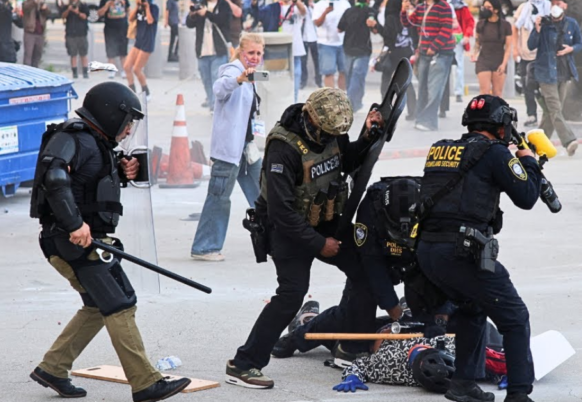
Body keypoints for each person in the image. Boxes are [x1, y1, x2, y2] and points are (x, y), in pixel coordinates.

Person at [28, 81, 191, 402]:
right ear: (109, 114)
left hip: (84, 241)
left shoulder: (96, 143)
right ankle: (146, 383)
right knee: (120, 303)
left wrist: (120, 169)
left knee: (97, 304)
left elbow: (86, 180)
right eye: (127, 121)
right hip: (72, 241)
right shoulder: (71, 137)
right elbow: (55, 178)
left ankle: (53, 368)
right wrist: (75, 224)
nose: (129, 129)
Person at [226, 88, 384, 389]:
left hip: (325, 219)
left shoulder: (332, 129)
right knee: (291, 296)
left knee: (366, 269)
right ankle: (244, 364)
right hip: (287, 230)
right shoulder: (283, 148)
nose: (329, 139)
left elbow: (345, 162)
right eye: (325, 133)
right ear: (311, 117)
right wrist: (318, 244)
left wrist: (365, 136)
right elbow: (281, 212)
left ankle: (351, 346)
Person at [416, 95, 542, 402]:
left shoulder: (440, 148)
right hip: (462, 252)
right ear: (501, 126)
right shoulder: (496, 153)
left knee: (472, 308)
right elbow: (527, 196)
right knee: (514, 317)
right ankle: (519, 394)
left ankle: (463, 384)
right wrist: (528, 161)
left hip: (428, 251)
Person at [272, 177, 449, 364]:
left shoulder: (435, 206)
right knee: (355, 323)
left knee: (428, 326)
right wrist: (394, 310)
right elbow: (372, 268)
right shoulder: (371, 208)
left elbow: (443, 265)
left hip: (419, 263)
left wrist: (442, 312)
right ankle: (300, 333)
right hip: (377, 262)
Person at [191, 33, 265, 262]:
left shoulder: (251, 76)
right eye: (250, 53)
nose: (254, 57)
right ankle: (204, 247)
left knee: (265, 193)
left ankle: (275, 240)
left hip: (247, 148)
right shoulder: (232, 71)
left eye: (259, 53)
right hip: (229, 151)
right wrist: (239, 79)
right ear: (241, 53)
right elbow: (220, 89)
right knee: (219, 197)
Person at [527, 0, 582, 156]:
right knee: (555, 109)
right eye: (553, 3)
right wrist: (537, 29)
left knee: (551, 112)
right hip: (545, 72)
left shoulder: (572, 23)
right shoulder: (544, 23)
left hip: (564, 72)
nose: (556, 6)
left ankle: (535, 145)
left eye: (559, 3)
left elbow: (580, 43)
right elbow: (531, 45)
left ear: (565, 6)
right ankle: (569, 141)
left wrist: (571, 49)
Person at [401, 0, 456, 132]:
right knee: (423, 88)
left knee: (434, 89)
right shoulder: (422, 7)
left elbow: (446, 29)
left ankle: (429, 121)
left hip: (441, 54)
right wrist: (404, 11)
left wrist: (434, 46)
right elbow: (409, 23)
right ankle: (420, 119)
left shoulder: (444, 6)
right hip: (424, 53)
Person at [254, 0, 306, 101]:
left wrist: (296, 2)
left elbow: (303, 12)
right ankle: (277, 100)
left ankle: (293, 101)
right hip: (278, 48)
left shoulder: (297, 7)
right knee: (277, 76)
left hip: (295, 47)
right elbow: (259, 15)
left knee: (295, 76)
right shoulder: (273, 7)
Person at [187, 0, 231, 112]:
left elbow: (223, 20)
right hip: (202, 51)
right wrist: (192, 14)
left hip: (218, 50)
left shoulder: (223, 5)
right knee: (206, 80)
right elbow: (189, 24)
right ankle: (212, 104)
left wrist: (207, 13)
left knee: (217, 79)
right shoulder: (200, 4)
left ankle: (216, 106)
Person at [376, 0, 416, 120]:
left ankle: (385, 110)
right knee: (407, 83)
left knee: (386, 83)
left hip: (393, 54)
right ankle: (413, 111)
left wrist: (376, 27)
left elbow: (388, 36)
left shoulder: (391, 18)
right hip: (407, 52)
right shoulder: (408, 17)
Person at [513, 0, 550, 127]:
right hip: (526, 53)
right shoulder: (524, 8)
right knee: (527, 86)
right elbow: (515, 28)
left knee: (544, 87)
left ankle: (548, 114)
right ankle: (531, 114)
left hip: (543, 54)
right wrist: (515, 48)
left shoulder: (548, 6)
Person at [338, 0, 378, 112]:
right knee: (358, 76)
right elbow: (375, 30)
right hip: (363, 50)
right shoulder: (370, 11)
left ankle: (353, 102)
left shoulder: (348, 11)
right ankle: (353, 102)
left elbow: (339, 28)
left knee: (351, 76)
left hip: (348, 48)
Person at [472, 0, 512, 97]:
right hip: (483, 60)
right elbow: (477, 42)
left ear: (496, 10)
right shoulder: (480, 24)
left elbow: (508, 47)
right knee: (484, 92)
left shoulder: (505, 25)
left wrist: (503, 64)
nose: (486, 9)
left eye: (489, 7)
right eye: (484, 7)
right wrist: (474, 54)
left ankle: (496, 112)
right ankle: (484, 112)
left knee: (497, 93)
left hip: (499, 60)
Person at [313, 0, 351, 90]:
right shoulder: (320, 4)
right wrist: (325, 12)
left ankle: (342, 98)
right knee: (329, 72)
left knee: (344, 71)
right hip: (326, 43)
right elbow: (317, 23)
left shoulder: (345, 3)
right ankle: (331, 99)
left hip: (342, 42)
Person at [124, 0, 158, 99]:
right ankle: (131, 91)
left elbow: (150, 21)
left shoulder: (154, 8)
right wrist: (137, 7)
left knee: (137, 69)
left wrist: (147, 7)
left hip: (147, 42)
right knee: (127, 66)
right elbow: (130, 19)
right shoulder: (139, 9)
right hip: (138, 41)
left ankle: (146, 92)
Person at [450, 0, 474, 104]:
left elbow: (470, 22)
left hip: (458, 40)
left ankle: (458, 92)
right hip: (444, 38)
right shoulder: (445, 5)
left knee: (458, 67)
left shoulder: (463, 8)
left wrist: (466, 35)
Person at [98, 0, 130, 79]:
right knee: (110, 49)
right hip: (110, 27)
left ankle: (124, 70)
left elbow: (129, 10)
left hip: (122, 27)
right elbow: (99, 13)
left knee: (123, 50)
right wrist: (107, 5)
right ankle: (111, 71)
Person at [61, 0, 90, 79]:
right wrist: (68, 10)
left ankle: (85, 72)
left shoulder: (83, 5)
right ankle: (74, 72)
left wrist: (77, 12)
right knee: (73, 54)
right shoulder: (67, 6)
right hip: (70, 33)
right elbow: (63, 16)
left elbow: (85, 16)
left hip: (82, 33)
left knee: (83, 54)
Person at [22, 0, 50, 68]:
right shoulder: (27, 3)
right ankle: (26, 72)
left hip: (40, 32)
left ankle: (35, 71)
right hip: (30, 32)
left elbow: (48, 14)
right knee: (28, 55)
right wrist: (34, 2)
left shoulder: (41, 3)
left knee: (38, 55)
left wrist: (44, 9)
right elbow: (25, 9)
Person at [300, 0, 321, 89]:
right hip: (304, 37)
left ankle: (318, 80)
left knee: (317, 61)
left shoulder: (316, 7)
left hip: (314, 37)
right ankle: (303, 80)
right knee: (303, 61)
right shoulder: (301, 7)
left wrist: (313, 7)